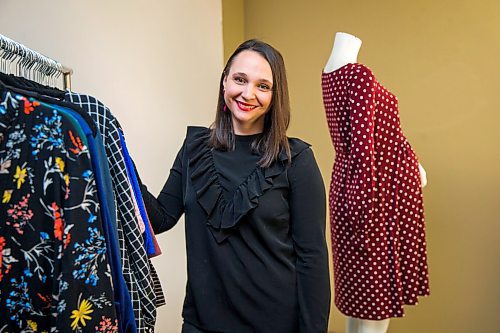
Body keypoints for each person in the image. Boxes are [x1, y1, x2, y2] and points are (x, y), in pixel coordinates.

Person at [140, 39, 331, 333]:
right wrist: (115, 159)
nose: (248, 93)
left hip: (276, 324)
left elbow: (312, 259)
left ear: (274, 96)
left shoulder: (296, 161)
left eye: (263, 86)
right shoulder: (195, 150)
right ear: (225, 82)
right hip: (201, 324)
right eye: (240, 79)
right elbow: (161, 217)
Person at [322, 32, 430, 333]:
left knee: (361, 298)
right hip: (376, 196)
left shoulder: (329, 72)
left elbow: (373, 141)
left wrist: (414, 164)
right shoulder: (358, 75)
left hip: (353, 188)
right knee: (375, 300)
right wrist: (366, 212)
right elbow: (362, 149)